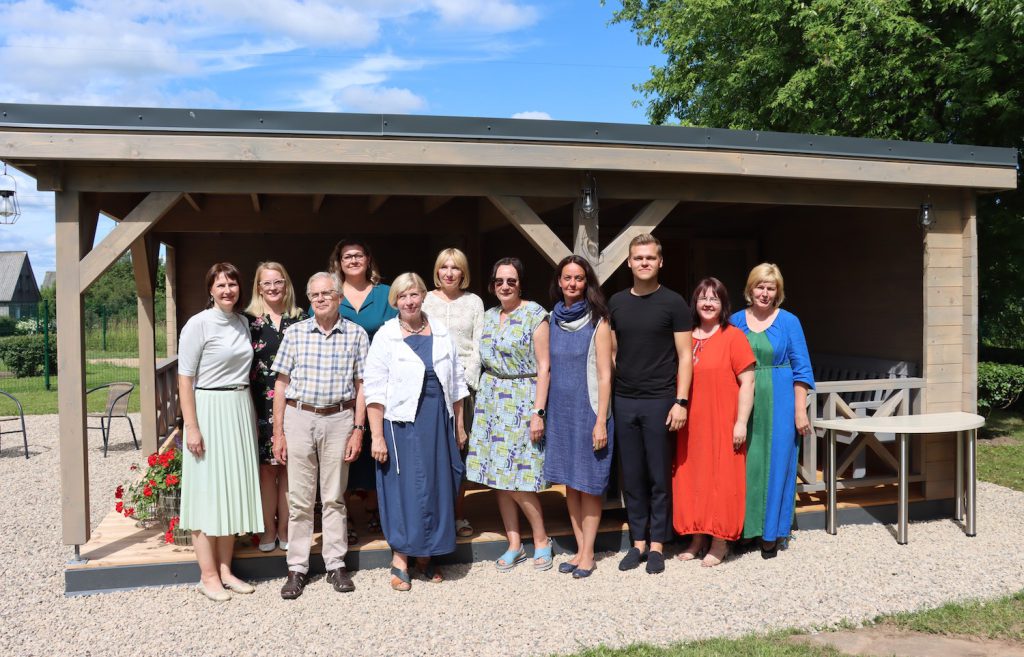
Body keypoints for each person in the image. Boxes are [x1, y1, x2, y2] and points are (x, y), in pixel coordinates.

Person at [365, 273, 469, 591]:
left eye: (414, 295)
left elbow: (456, 383)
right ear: (395, 301)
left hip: (438, 420)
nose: (409, 301)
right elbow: (374, 389)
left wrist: (460, 426)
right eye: (402, 296)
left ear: (424, 296)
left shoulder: (441, 332)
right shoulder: (386, 336)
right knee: (403, 489)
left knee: (439, 484)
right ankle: (400, 557)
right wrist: (377, 436)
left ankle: (428, 555)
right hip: (401, 424)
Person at [271, 272, 369, 599]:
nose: (321, 299)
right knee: (299, 498)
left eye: (327, 293)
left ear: (339, 296)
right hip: (300, 418)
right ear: (309, 299)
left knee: (333, 496)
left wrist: (358, 429)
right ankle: (297, 567)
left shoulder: (355, 334)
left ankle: (335, 564)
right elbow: (281, 385)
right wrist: (279, 433)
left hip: (340, 418)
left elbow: (362, 386)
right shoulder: (295, 333)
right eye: (315, 295)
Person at [178, 262, 263, 602]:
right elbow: (185, 378)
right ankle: (208, 575)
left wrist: (252, 421)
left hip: (238, 408)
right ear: (210, 289)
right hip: (209, 410)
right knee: (206, 494)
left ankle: (226, 570)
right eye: (220, 285)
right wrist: (192, 426)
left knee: (232, 493)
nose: (227, 290)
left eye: (232, 284)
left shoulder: (243, 323)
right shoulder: (198, 324)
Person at [609, 233, 693, 574]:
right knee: (632, 476)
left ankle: (658, 544)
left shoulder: (673, 303)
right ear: (629, 262)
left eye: (650, 258)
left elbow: (685, 356)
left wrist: (681, 401)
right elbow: (613, 352)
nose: (644, 263)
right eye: (638, 258)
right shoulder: (615, 302)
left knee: (659, 475)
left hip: (661, 401)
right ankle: (638, 543)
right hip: (625, 399)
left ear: (660, 262)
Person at [465, 257, 554, 572]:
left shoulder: (535, 315)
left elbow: (544, 366)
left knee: (520, 477)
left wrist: (538, 412)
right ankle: (515, 543)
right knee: (497, 478)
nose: (505, 286)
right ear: (492, 285)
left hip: (522, 397)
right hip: (490, 400)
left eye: (511, 281)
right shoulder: (488, 316)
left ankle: (541, 539)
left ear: (520, 284)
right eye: (499, 281)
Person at [730, 263, 814, 558]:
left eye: (771, 288)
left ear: (777, 292)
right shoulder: (735, 321)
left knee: (778, 463)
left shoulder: (789, 321)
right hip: (745, 401)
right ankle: (744, 528)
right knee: (746, 465)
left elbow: (802, 368)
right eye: (760, 287)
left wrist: (799, 410)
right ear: (750, 289)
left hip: (780, 399)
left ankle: (771, 533)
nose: (765, 293)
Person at [673, 278, 755, 567]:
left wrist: (741, 422)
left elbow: (748, 382)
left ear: (723, 304)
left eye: (715, 299)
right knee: (692, 477)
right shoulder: (686, 336)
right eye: (702, 298)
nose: (708, 303)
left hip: (722, 420)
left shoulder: (733, 336)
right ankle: (697, 536)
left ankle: (720, 539)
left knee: (721, 478)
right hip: (690, 422)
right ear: (694, 303)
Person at [543, 256, 613, 579]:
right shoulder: (550, 320)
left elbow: (604, 375)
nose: (573, 284)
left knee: (590, 483)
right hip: (561, 413)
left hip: (589, 410)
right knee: (571, 483)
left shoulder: (598, 320)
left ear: (587, 282)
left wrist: (601, 420)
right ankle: (580, 548)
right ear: (559, 281)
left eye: (579, 278)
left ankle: (589, 553)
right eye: (567, 278)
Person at [324, 238, 397, 543]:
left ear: (368, 259)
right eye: (346, 256)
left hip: (384, 385)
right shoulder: (331, 293)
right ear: (338, 262)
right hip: (341, 385)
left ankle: (376, 509)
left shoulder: (385, 294)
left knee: (376, 449)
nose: (352, 260)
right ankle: (345, 518)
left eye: (358, 255)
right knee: (343, 451)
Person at [421, 247, 484, 538]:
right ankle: (434, 516)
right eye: (444, 267)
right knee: (431, 454)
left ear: (463, 273)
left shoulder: (474, 302)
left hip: (464, 388)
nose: (449, 272)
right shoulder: (424, 300)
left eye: (455, 268)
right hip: (430, 387)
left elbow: (478, 344)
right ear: (437, 271)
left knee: (460, 453)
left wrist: (467, 381)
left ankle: (459, 514)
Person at [244, 262, 303, 553]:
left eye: (278, 282)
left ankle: (285, 528)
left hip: (294, 405)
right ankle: (268, 528)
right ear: (259, 287)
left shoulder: (301, 319)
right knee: (267, 471)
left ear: (286, 284)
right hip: (258, 403)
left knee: (290, 467)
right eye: (266, 283)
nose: (272, 288)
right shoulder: (247, 321)